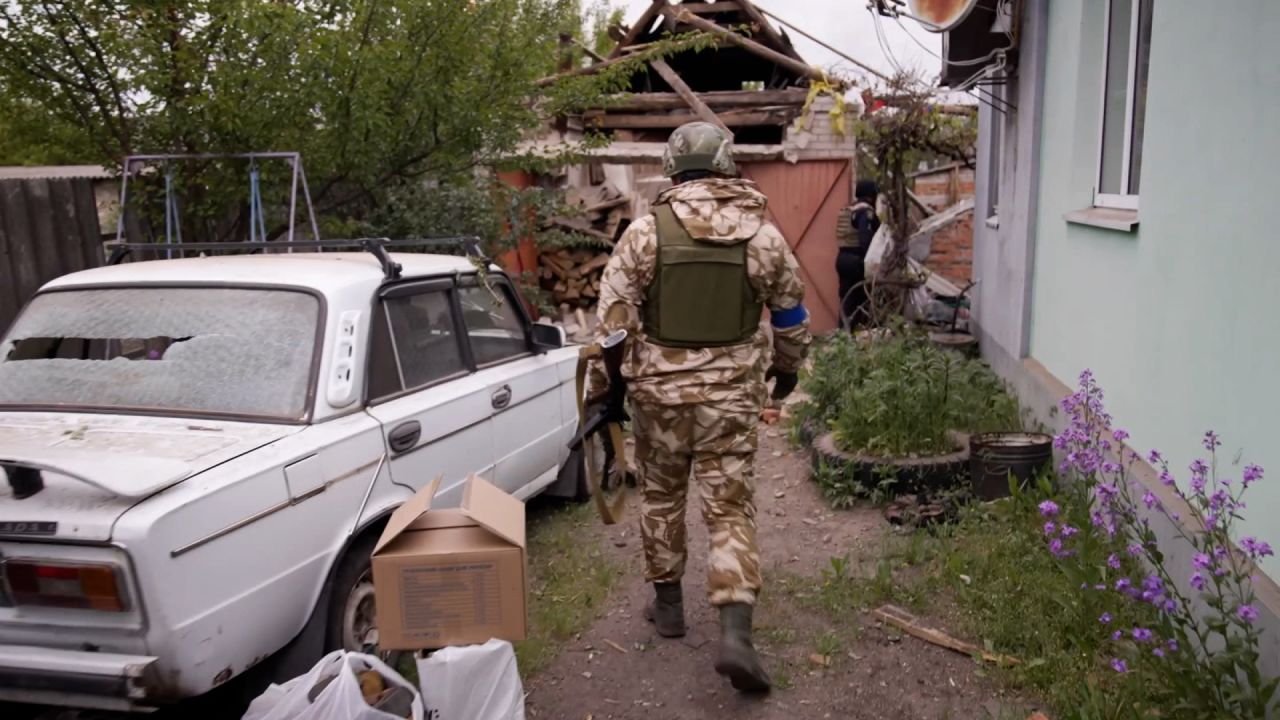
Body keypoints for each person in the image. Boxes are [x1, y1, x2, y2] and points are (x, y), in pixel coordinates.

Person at [593, 121, 812, 693]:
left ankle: (667, 609)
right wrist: (785, 374)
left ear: (672, 168)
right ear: (725, 166)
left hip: (659, 400)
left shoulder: (643, 233)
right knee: (729, 510)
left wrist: (607, 391)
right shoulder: (763, 237)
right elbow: (790, 316)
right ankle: (735, 632)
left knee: (662, 496)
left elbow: (611, 329)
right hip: (731, 401)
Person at [836, 179, 880, 329]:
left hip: (842, 259)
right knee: (861, 301)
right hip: (856, 261)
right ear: (871, 196)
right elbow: (865, 239)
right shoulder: (865, 212)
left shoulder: (848, 210)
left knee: (846, 301)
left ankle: (842, 336)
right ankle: (857, 337)